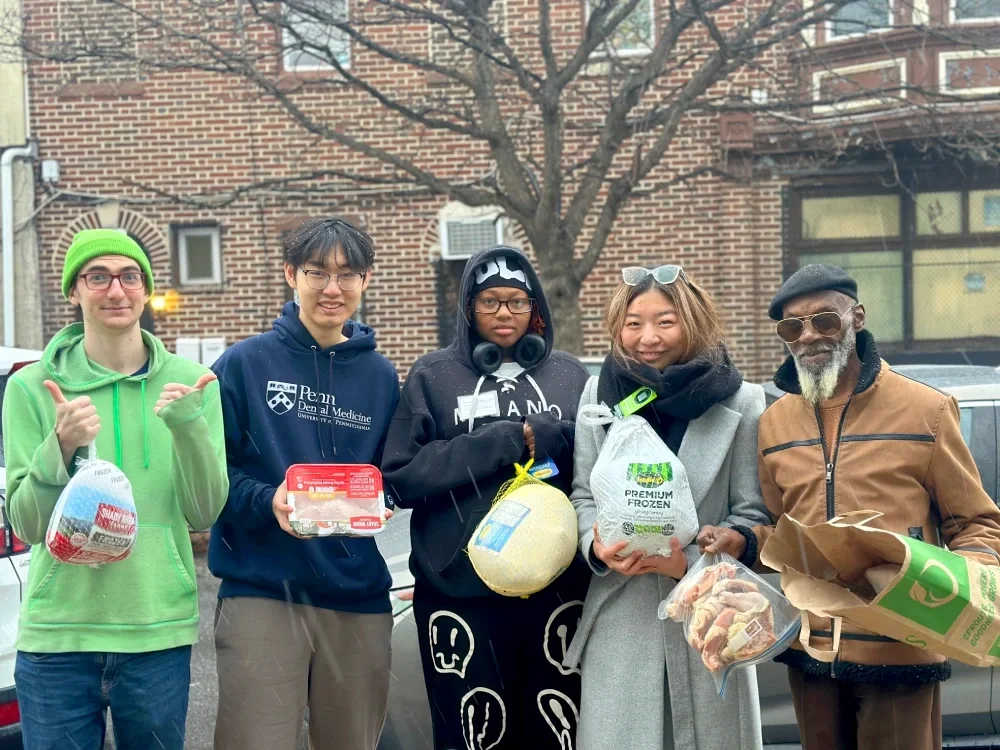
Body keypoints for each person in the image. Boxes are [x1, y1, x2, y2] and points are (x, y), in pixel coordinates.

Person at [700, 263, 1000, 750]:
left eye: (824, 319)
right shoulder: (774, 423)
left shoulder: (926, 409)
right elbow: (782, 532)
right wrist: (743, 542)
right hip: (810, 649)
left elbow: (977, 523)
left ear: (856, 317)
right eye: (792, 327)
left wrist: (961, 584)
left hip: (900, 648)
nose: (809, 336)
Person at [2, 229, 228, 750]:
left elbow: (203, 512)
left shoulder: (193, 382)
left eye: (129, 276)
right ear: (74, 291)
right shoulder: (31, 387)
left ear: (145, 290)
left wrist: (188, 427)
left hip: (156, 630)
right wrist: (60, 446)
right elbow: (28, 525)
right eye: (97, 277)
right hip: (58, 636)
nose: (116, 290)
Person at [381, 246, 591, 749]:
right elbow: (401, 476)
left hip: (556, 590)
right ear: (468, 308)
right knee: (472, 734)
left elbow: (595, 470)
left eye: (517, 302)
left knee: (556, 731)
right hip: (460, 591)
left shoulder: (569, 375)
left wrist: (555, 438)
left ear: (535, 308)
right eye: (490, 301)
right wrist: (500, 441)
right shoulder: (433, 376)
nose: (504, 313)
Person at [208, 218, 399, 750]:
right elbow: (208, 476)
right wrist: (265, 499)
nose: (332, 288)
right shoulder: (243, 364)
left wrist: (383, 501)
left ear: (366, 280)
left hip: (357, 595)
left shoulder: (381, 377)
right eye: (317, 272)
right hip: (263, 589)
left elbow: (390, 473)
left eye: (347, 274)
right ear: (291, 274)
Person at [564, 265, 768, 750]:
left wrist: (690, 567)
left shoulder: (743, 401)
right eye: (633, 323)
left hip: (710, 620)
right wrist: (597, 546)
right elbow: (583, 494)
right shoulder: (598, 394)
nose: (648, 338)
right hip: (622, 618)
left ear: (693, 322)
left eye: (665, 322)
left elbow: (752, 513)